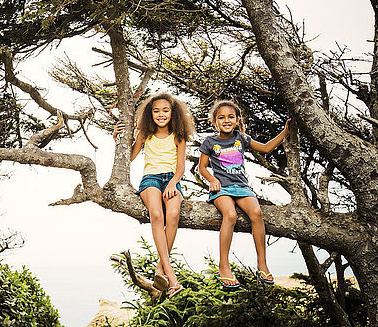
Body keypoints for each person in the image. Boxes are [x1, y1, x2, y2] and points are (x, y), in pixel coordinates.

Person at [198, 99, 290, 289]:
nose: (226, 120)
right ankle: (223, 266)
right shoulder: (210, 142)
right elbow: (202, 167)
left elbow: (266, 148)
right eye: (221, 117)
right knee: (230, 215)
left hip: (241, 187)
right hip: (221, 188)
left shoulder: (241, 138)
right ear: (214, 121)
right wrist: (212, 180)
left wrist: (286, 132)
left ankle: (262, 264)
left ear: (238, 120)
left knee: (257, 213)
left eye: (231, 117)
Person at [113, 92, 195, 298]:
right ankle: (172, 277)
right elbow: (128, 158)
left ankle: (160, 269)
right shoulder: (145, 134)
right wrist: (118, 139)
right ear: (150, 114)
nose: (161, 114)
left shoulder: (179, 135)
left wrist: (173, 183)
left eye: (165, 111)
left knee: (174, 213)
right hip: (150, 180)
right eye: (156, 111)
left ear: (173, 113)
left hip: (171, 179)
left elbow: (181, 168)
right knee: (157, 215)